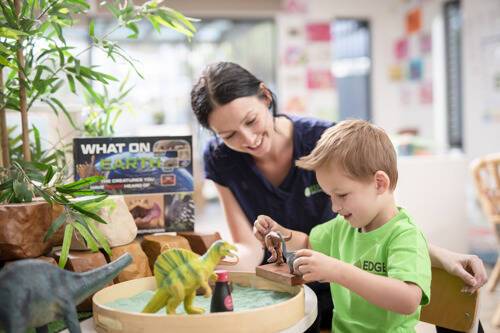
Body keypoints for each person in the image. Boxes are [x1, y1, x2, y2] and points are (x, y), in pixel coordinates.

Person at [190, 62, 488, 332]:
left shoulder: (326, 144)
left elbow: (384, 233)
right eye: (229, 136)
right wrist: (272, 237)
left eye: (251, 121)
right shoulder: (223, 160)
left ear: (265, 97)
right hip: (298, 290)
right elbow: (305, 241)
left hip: (336, 292)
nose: (248, 139)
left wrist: (439, 256)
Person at [283, 119, 430, 332]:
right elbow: (307, 242)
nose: (334, 207)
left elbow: (407, 300)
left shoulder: (404, 235)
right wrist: (279, 232)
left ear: (380, 183)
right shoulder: (343, 227)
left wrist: (338, 271)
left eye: (341, 195)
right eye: (329, 196)